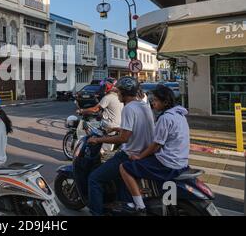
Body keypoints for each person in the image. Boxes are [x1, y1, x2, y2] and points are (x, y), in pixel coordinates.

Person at [85, 76, 155, 216]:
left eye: (119, 92)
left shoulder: (129, 108)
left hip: (129, 155)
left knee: (94, 178)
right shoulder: (144, 105)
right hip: (145, 153)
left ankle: (96, 213)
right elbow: (135, 129)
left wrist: (98, 140)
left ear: (124, 93)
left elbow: (124, 138)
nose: (117, 95)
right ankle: (122, 205)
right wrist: (116, 129)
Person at [118, 84, 190, 214]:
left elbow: (156, 145)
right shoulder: (180, 115)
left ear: (165, 102)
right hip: (182, 161)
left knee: (125, 167)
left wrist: (139, 156)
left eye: (156, 100)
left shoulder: (165, 118)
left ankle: (140, 206)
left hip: (168, 162)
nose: (153, 103)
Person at [81, 78, 123, 152]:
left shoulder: (108, 97)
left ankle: (94, 143)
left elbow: (95, 109)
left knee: (88, 124)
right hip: (120, 125)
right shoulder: (120, 98)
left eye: (104, 86)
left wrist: (82, 110)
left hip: (110, 125)